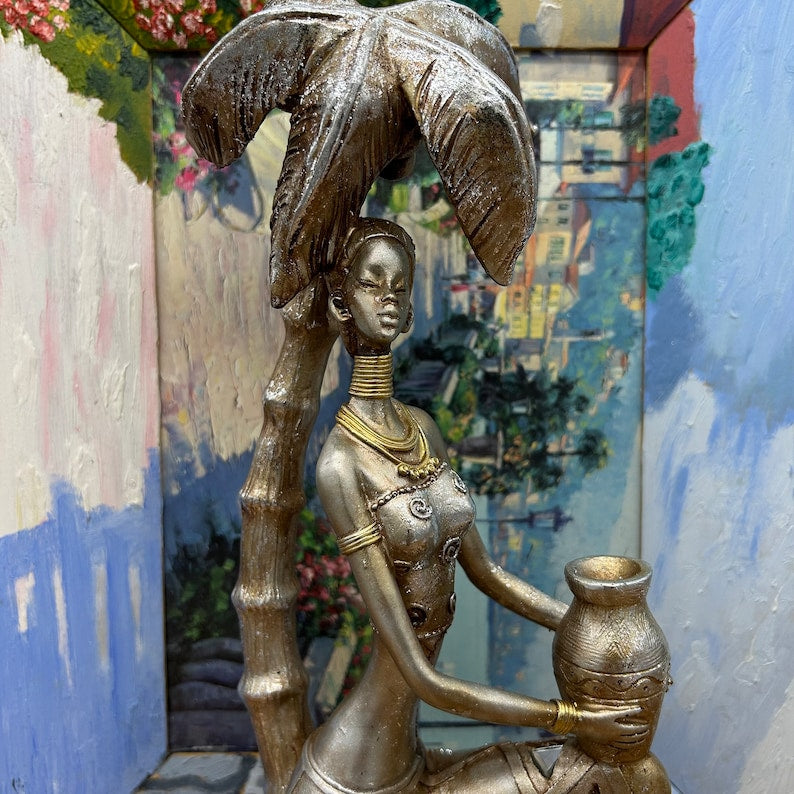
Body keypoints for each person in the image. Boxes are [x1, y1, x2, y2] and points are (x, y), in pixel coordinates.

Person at [287, 218, 650, 793]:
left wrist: (592, 626)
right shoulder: (341, 464)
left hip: (407, 749)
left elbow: (487, 573)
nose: (388, 299)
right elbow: (427, 683)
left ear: (410, 308)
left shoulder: (423, 429)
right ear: (341, 301)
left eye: (400, 286)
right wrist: (568, 718)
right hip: (355, 775)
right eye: (371, 284)